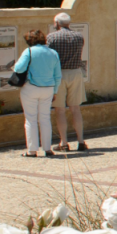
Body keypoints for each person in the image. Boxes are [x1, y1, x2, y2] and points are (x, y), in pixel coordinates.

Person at [13, 28, 63, 158]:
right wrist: (55, 91)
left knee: (30, 119)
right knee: (45, 118)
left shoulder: (29, 51)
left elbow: (18, 68)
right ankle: (47, 148)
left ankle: (32, 150)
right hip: (48, 88)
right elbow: (58, 75)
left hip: (31, 87)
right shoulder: (53, 53)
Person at [46, 12, 88, 152]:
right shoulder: (79, 36)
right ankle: (81, 141)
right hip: (75, 72)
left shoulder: (51, 37)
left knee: (60, 110)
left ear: (57, 23)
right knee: (75, 108)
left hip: (59, 74)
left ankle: (64, 142)